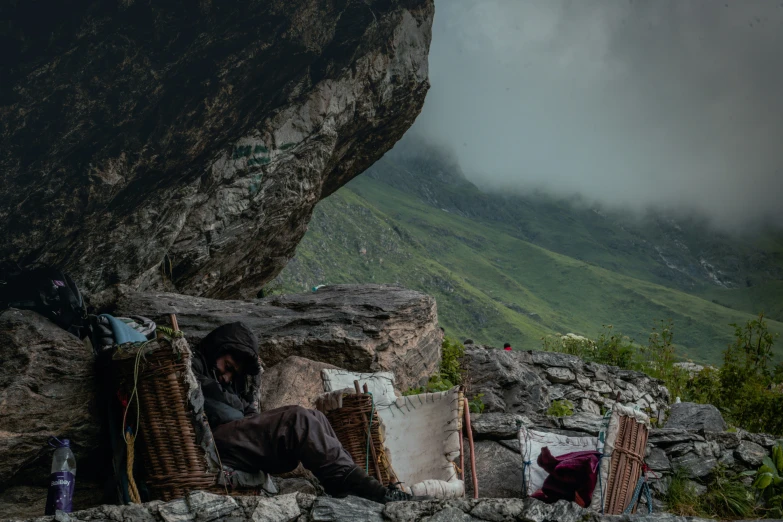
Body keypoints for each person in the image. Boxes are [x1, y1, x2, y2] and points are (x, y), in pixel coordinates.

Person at [191, 322, 418, 503]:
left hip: (235, 442)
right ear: (218, 348)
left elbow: (246, 413)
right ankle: (367, 488)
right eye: (227, 367)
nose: (227, 377)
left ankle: (352, 482)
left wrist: (240, 407)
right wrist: (240, 408)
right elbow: (229, 414)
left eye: (233, 373)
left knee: (315, 417)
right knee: (297, 419)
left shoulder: (229, 383)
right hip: (211, 442)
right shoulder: (192, 368)